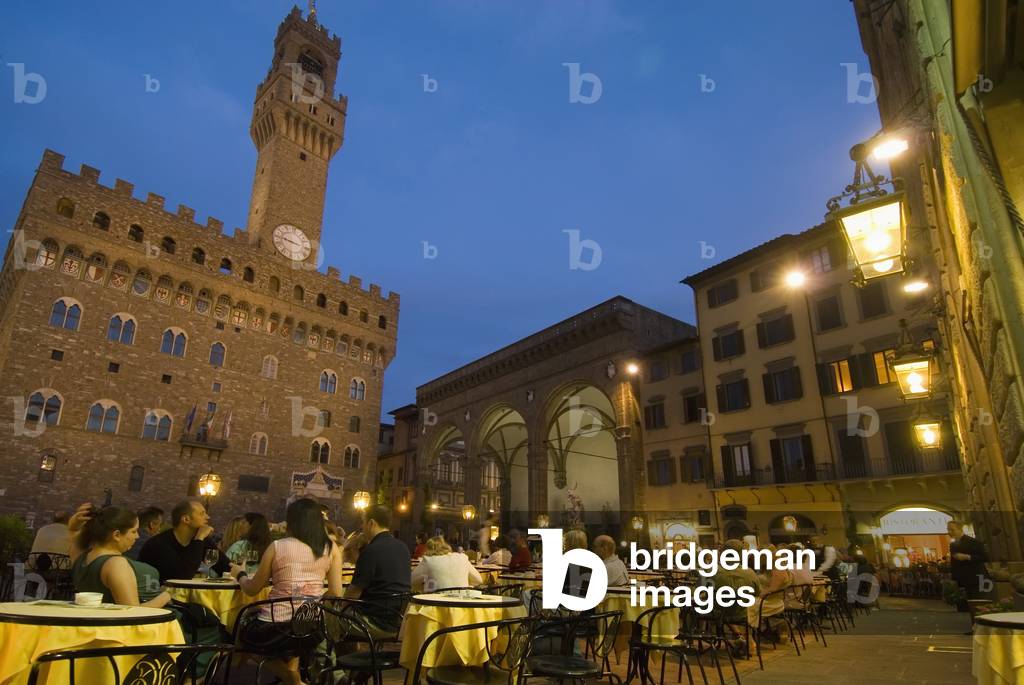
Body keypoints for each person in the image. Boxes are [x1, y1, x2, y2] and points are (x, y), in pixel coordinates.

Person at [231, 498, 343, 685]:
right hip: (311, 628)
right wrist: (311, 601)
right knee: (296, 642)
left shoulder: (278, 546)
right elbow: (336, 591)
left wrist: (239, 574)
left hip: (274, 627)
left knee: (242, 634)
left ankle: (293, 680)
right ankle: (291, 674)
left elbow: (252, 589)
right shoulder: (331, 548)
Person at [67, 504, 169, 607]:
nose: (137, 536)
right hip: (144, 620)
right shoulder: (115, 564)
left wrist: (73, 527)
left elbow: (74, 535)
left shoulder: (79, 556)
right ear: (116, 535)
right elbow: (132, 612)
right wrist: (168, 595)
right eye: (133, 531)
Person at [345, 505, 411, 633]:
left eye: (363, 522)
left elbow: (353, 594)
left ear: (371, 523)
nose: (362, 527)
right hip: (398, 620)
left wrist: (337, 607)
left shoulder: (371, 550)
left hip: (373, 621)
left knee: (328, 620)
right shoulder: (403, 548)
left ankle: (332, 653)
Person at [138, 499, 214, 582]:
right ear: (186, 519)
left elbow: (224, 565)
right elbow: (182, 577)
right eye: (202, 514)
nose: (208, 517)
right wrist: (199, 538)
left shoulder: (202, 539)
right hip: (156, 592)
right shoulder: (159, 544)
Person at [412, 536, 482, 592]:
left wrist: (425, 586)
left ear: (428, 549)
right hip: (463, 605)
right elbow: (478, 580)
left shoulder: (428, 560)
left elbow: (412, 582)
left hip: (436, 606)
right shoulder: (462, 557)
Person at [949, 521, 991, 610]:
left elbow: (985, 557)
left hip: (977, 577)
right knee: (969, 605)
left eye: (952, 530)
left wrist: (968, 557)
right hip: (963, 579)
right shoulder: (953, 545)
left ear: (960, 529)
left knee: (980, 603)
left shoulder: (973, 541)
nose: (949, 532)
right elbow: (954, 563)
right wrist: (954, 578)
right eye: (948, 529)